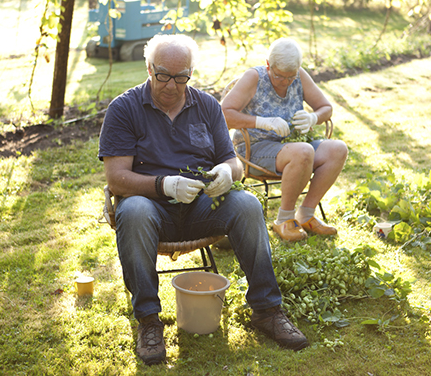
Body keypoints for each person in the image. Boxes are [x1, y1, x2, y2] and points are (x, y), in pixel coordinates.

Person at [98, 34, 308, 366]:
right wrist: (164, 185)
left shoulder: (206, 105)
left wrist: (229, 173)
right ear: (149, 68)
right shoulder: (124, 109)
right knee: (134, 210)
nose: (171, 85)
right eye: (164, 75)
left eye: (181, 77)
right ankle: (149, 321)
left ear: (190, 74)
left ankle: (267, 310)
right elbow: (116, 179)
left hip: (201, 206)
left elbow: (232, 161)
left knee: (248, 205)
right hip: (151, 207)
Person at [221, 37, 348, 242]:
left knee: (338, 149)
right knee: (304, 151)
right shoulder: (254, 77)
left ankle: (306, 214)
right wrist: (262, 122)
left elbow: (326, 108)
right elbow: (223, 114)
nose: (286, 82)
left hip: (293, 146)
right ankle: (284, 220)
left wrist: (313, 118)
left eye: (291, 77)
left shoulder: (299, 76)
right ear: (268, 64)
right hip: (255, 148)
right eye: (280, 76)